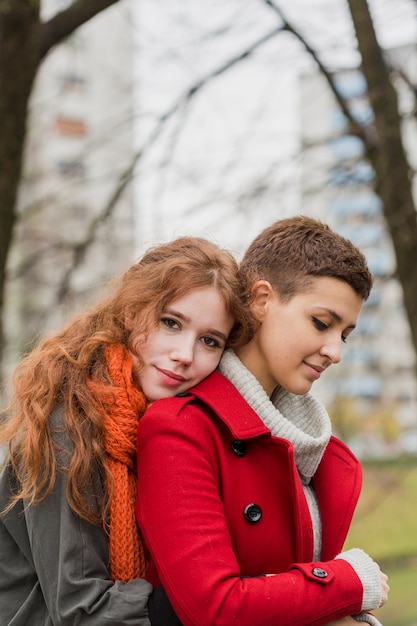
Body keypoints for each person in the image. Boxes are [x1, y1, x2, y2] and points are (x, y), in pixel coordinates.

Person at [136, 216, 390, 626]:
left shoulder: (308, 447)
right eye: (322, 323)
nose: (334, 352)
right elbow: (214, 608)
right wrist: (348, 582)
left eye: (344, 334)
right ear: (260, 299)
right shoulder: (182, 428)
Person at [0, 236, 255, 626]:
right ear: (132, 313)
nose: (185, 355)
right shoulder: (69, 423)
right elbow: (80, 610)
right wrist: (216, 602)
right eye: (171, 323)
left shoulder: (171, 428)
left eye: (209, 341)